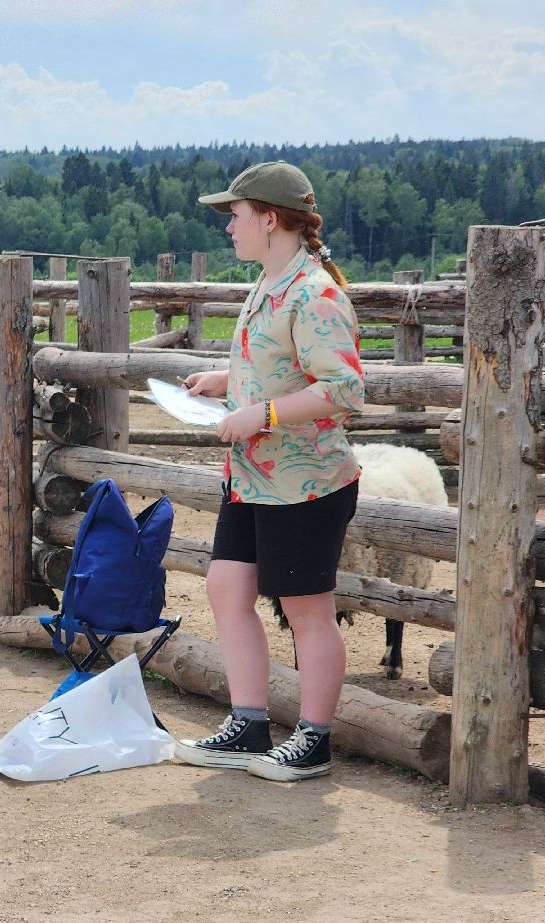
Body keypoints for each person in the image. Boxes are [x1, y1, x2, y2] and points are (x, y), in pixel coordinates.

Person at [174, 161, 365, 782]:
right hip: (255, 477)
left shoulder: (315, 293)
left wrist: (261, 412)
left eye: (236, 215)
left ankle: (313, 740)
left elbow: (343, 388)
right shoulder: (271, 283)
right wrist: (226, 382)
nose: (229, 226)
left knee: (307, 608)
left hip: (304, 483)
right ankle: (250, 723)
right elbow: (282, 362)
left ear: (270, 218)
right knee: (227, 590)